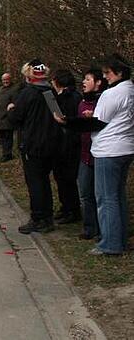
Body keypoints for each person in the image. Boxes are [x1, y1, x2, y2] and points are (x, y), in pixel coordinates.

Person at [56, 55, 133, 255]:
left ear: (119, 73)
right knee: (117, 197)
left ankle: (110, 244)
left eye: (108, 73)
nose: (105, 77)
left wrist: (68, 122)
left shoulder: (112, 93)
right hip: (125, 148)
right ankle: (119, 239)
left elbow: (97, 122)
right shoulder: (130, 90)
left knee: (106, 199)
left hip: (109, 150)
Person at [8, 60, 63, 234]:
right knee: (44, 181)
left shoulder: (28, 93)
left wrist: (11, 109)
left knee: (35, 182)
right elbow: (58, 116)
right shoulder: (50, 92)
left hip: (32, 143)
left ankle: (38, 218)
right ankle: (47, 216)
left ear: (28, 75)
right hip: (51, 143)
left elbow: (16, 118)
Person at [57, 68, 107, 240]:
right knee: (85, 193)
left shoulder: (103, 101)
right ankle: (89, 227)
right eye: (84, 79)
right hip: (84, 154)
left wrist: (93, 117)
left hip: (100, 153)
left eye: (88, 79)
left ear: (98, 82)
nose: (84, 82)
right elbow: (78, 126)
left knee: (101, 195)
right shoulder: (82, 103)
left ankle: (103, 230)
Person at [50, 69, 82, 224]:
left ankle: (72, 210)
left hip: (69, 142)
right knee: (60, 178)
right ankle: (65, 207)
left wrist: (63, 120)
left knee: (68, 178)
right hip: (60, 142)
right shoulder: (62, 96)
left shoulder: (72, 97)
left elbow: (71, 117)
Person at [0, 73, 20, 161]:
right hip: (0, 117)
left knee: (8, 137)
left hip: (8, 118)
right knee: (3, 137)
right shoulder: (1, 88)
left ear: (10, 79)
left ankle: (7, 155)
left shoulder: (14, 89)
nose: (5, 81)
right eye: (4, 80)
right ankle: (5, 153)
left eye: (7, 79)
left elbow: (16, 103)